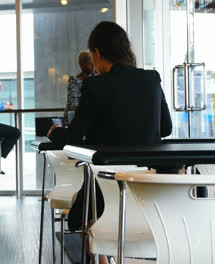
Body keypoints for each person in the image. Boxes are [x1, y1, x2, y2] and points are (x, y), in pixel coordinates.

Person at [48, 21, 172, 264]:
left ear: (96, 53)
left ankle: (103, 261)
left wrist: (55, 133)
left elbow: (74, 138)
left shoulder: (94, 85)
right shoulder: (152, 79)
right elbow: (165, 128)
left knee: (82, 207)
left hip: (107, 186)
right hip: (149, 190)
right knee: (86, 204)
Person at [63, 51, 95, 126]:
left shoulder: (96, 78)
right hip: (74, 119)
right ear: (82, 65)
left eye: (93, 63)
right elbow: (74, 104)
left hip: (90, 119)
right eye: (90, 63)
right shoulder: (74, 81)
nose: (93, 66)